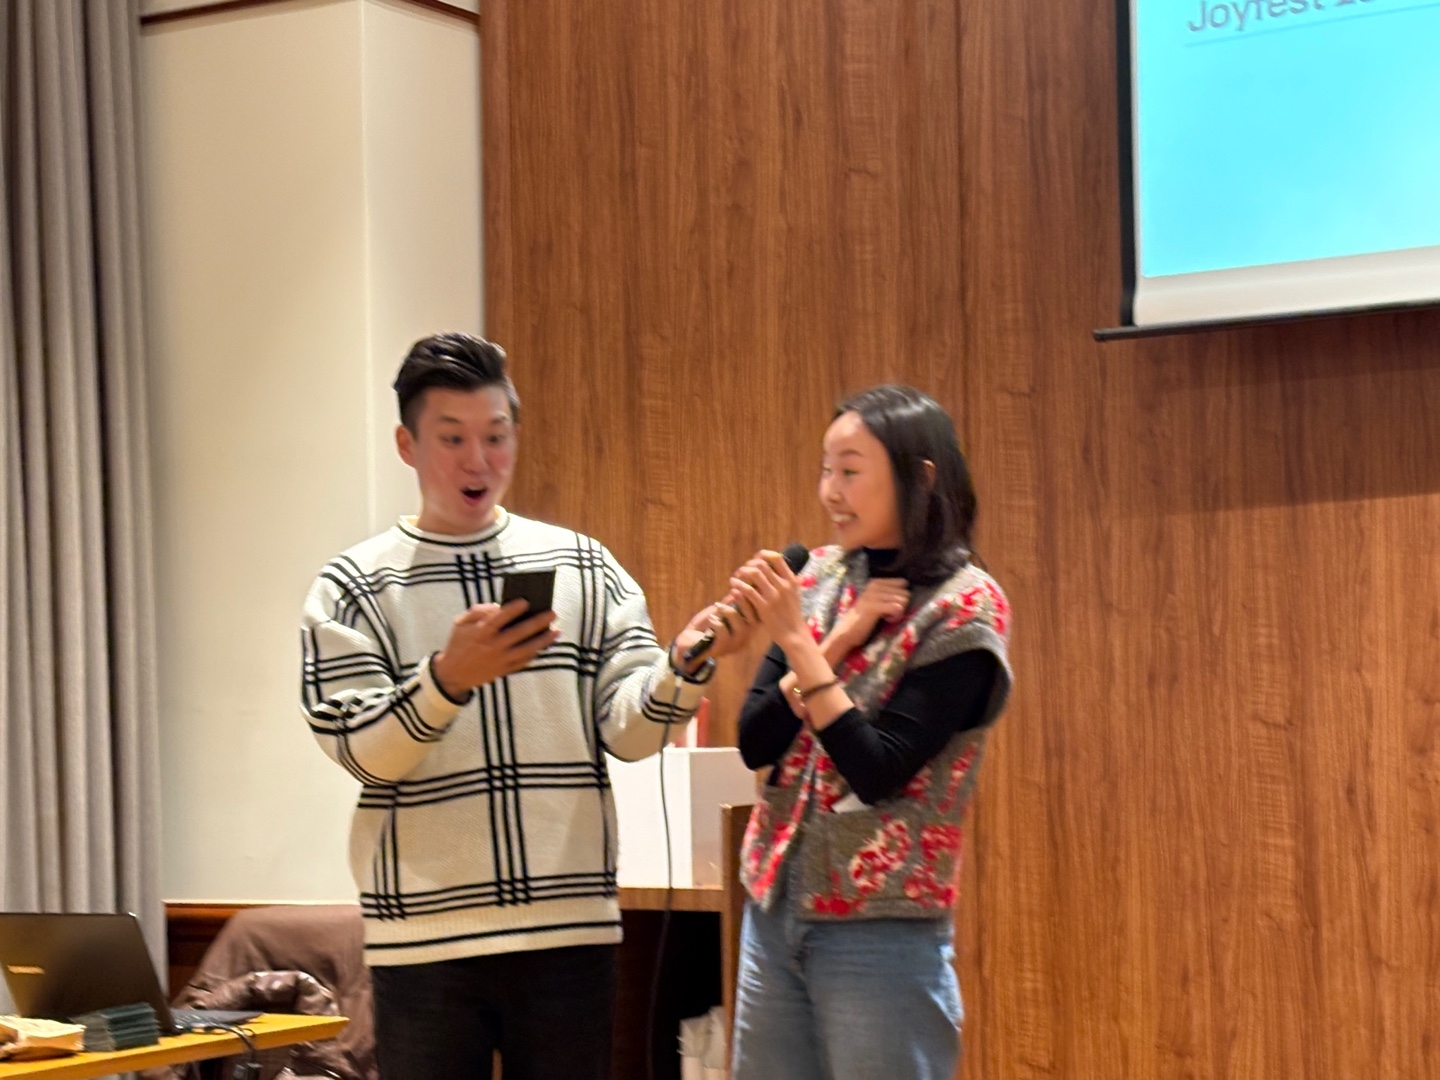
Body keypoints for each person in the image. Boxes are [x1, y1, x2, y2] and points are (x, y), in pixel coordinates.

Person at [299, 333, 742, 1080]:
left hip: (568, 931)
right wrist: (447, 679)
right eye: (453, 438)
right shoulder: (354, 586)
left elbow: (630, 733)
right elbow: (358, 748)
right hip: (424, 940)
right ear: (407, 445)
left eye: (496, 436)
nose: (479, 460)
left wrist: (685, 664)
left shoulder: (584, 566)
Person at [725, 384, 1013, 1080]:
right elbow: (756, 741)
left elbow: (878, 768)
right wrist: (835, 637)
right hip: (773, 903)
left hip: (881, 928)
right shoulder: (818, 576)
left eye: (851, 471)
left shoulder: (965, 607)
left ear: (920, 478)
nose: (831, 491)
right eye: (826, 469)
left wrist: (801, 644)